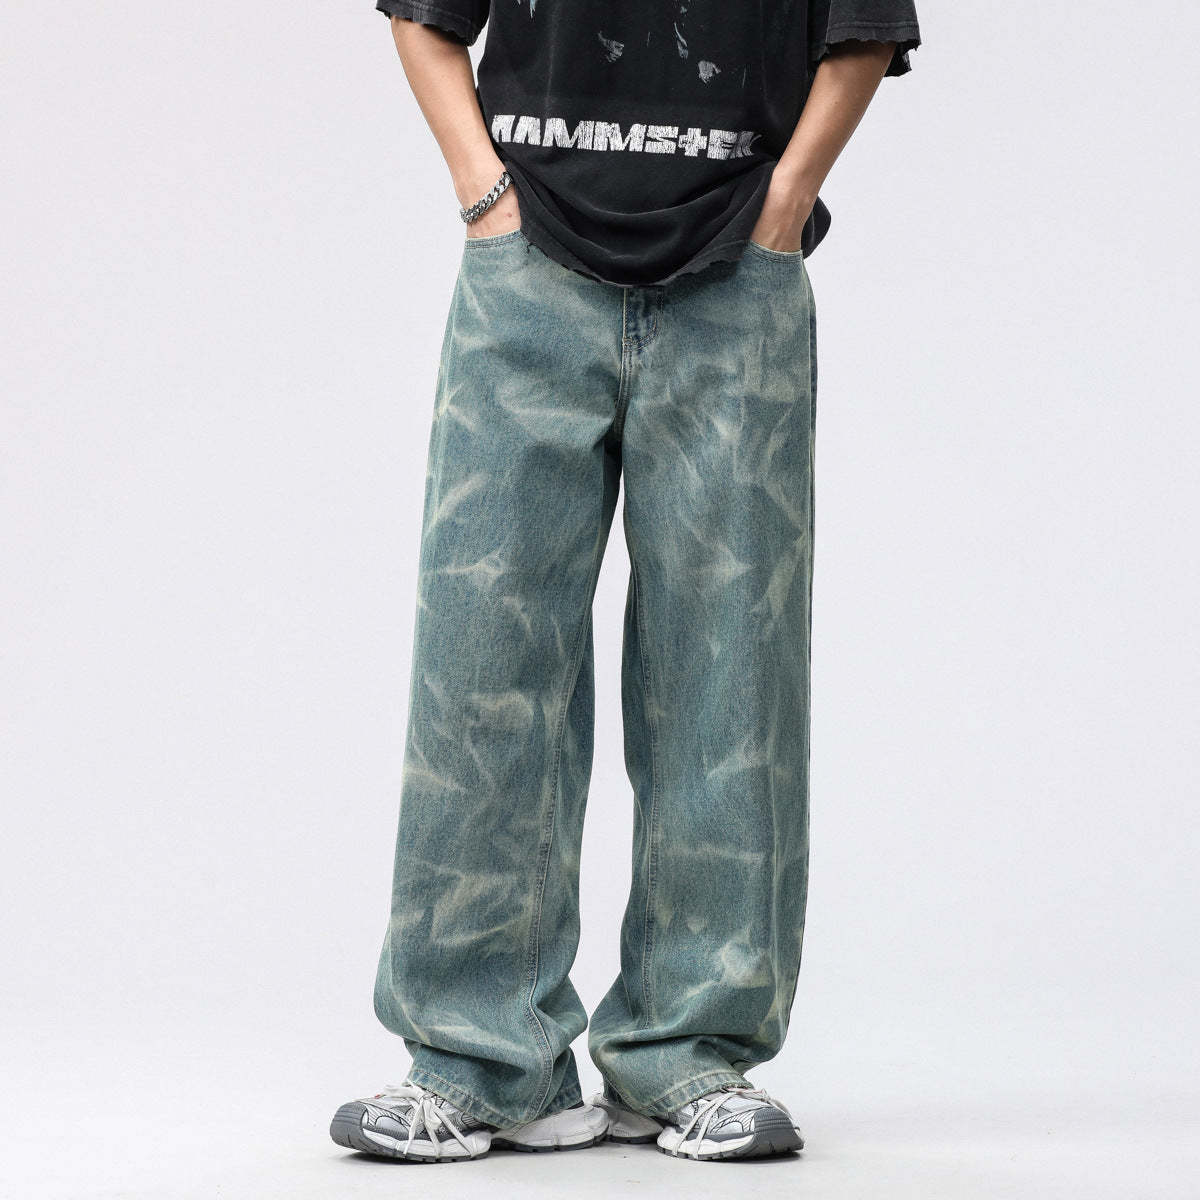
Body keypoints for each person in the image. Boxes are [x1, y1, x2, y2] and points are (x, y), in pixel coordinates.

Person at [330, 0, 921, 1164]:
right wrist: (485, 199)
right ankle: (478, 1061)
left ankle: (687, 1054)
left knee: (729, 673)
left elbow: (863, 30)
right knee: (480, 662)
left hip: (735, 282)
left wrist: (784, 208)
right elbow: (421, 14)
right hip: (527, 277)